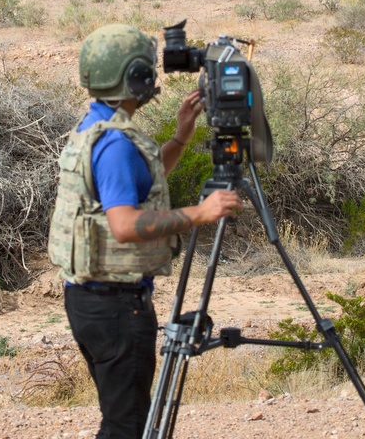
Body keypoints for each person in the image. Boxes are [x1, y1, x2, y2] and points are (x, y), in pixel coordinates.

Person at [48, 23, 241, 439]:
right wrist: (199, 213)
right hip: (116, 306)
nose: (154, 78)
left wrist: (181, 137)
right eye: (148, 71)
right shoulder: (116, 143)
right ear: (134, 77)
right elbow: (124, 224)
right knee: (127, 426)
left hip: (91, 301)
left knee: (122, 419)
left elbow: (141, 184)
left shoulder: (96, 128)